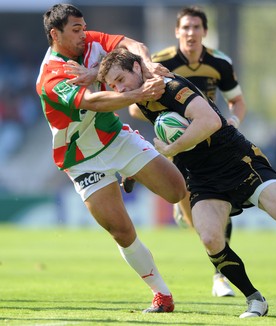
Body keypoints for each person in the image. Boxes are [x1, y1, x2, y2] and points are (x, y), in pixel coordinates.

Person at [97, 48, 276, 318]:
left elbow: (210, 121)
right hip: (202, 177)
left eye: (121, 79)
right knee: (210, 239)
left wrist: (173, 149)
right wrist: (136, 170)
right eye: (114, 85)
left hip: (238, 162)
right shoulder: (139, 97)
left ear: (137, 67)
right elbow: (155, 135)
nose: (120, 89)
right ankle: (255, 299)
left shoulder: (171, 87)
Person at [36, 3, 187, 313]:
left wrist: (146, 62)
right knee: (121, 230)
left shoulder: (90, 42)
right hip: (81, 159)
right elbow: (93, 101)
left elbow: (131, 45)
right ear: (55, 34)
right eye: (76, 30)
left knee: (177, 190)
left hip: (115, 139)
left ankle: (131, 171)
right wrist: (137, 94)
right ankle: (162, 294)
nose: (83, 34)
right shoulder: (51, 75)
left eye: (83, 27)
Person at [127, 5, 246, 298]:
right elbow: (134, 107)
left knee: (222, 204)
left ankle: (220, 276)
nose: (191, 33)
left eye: (196, 27)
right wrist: (167, 119)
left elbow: (237, 102)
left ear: (204, 32)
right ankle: (183, 206)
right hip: (178, 141)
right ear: (177, 32)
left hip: (211, 139)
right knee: (187, 202)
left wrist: (234, 120)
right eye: (186, 28)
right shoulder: (159, 62)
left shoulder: (221, 63)